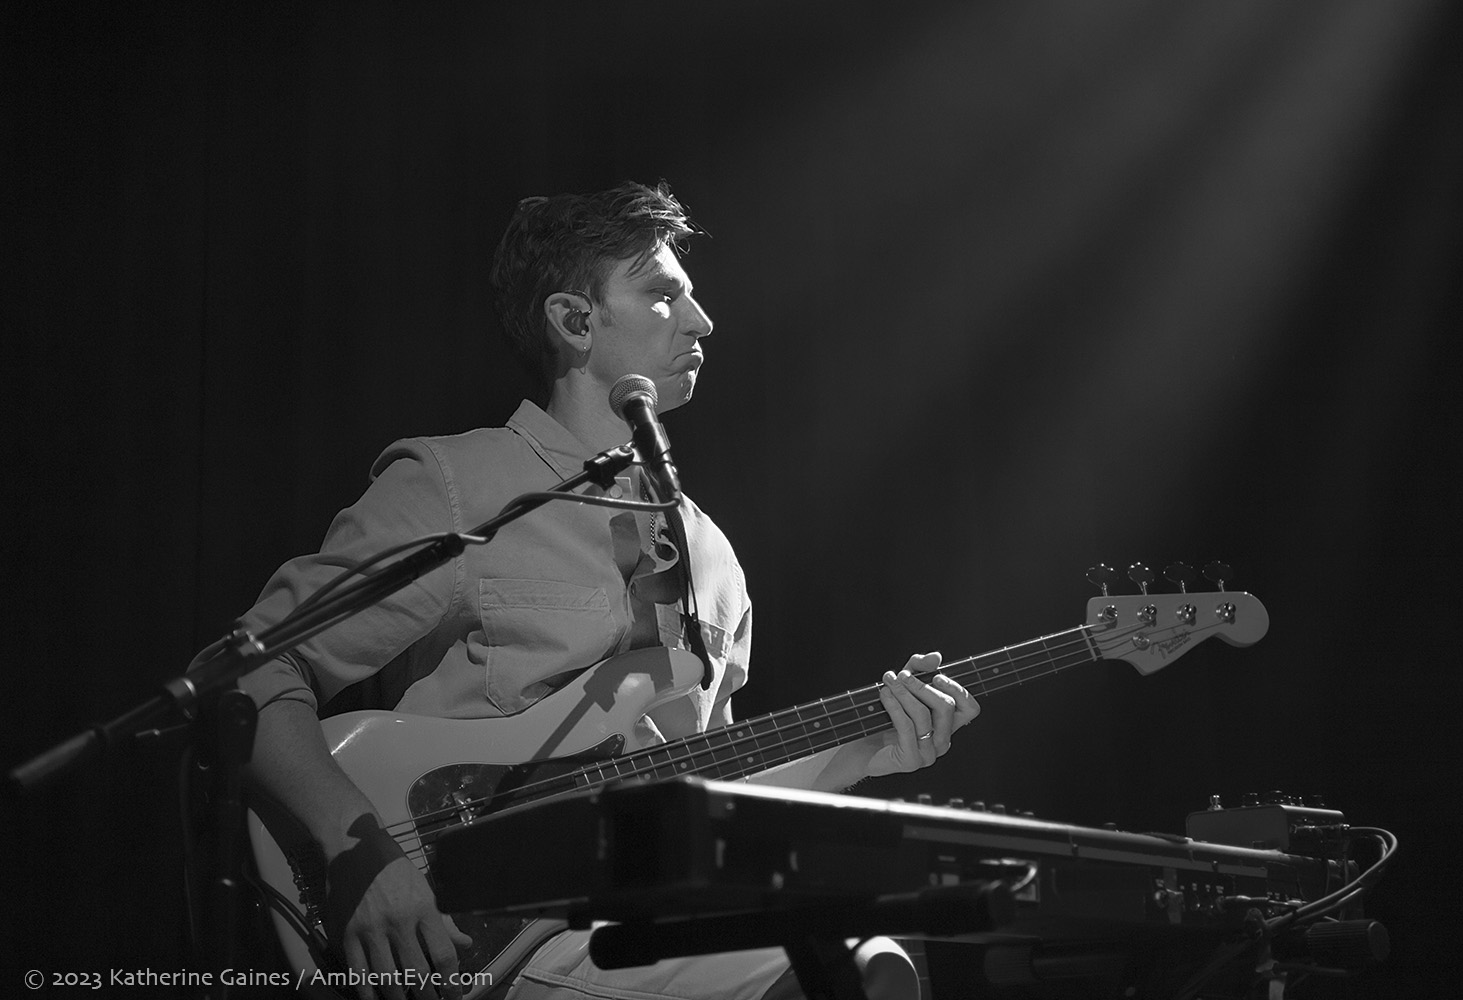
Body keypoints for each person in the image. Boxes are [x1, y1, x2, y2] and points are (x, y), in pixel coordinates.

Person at [226, 181, 980, 1000]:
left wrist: (866, 749)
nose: (702, 321)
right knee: (853, 970)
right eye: (663, 294)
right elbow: (251, 675)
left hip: (640, 925)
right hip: (473, 933)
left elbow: (704, 795)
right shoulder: (458, 483)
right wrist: (361, 854)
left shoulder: (713, 554)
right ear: (575, 322)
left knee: (872, 955)